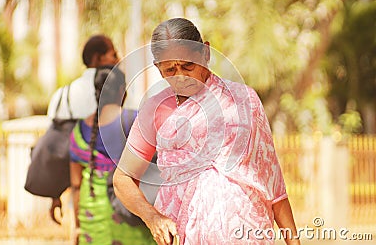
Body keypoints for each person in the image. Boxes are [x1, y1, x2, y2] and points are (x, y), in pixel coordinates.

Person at [113, 18, 300, 245]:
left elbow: (273, 183)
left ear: (206, 54)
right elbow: (123, 178)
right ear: (158, 69)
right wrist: (153, 217)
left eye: (188, 66)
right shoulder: (155, 109)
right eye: (170, 69)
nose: (181, 76)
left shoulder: (243, 101)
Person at [69, 66, 156, 245]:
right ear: (120, 90)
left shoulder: (78, 130)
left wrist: (77, 226)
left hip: (92, 214)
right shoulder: (136, 119)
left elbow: (76, 185)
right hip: (130, 210)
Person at [46, 35, 119, 224]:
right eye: (113, 53)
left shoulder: (62, 95)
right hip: (115, 194)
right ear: (98, 58)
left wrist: (54, 195)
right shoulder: (115, 89)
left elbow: (53, 146)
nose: (118, 58)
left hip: (77, 192)